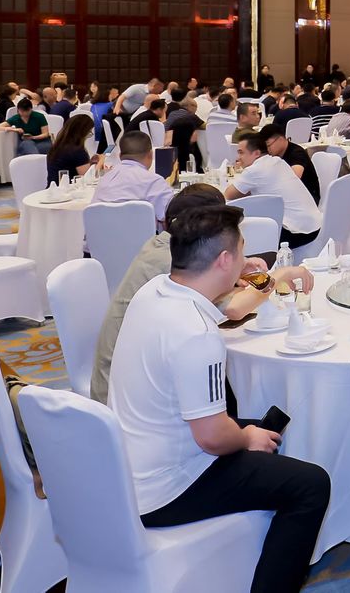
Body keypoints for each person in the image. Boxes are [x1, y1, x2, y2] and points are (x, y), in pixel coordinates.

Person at [108, 203, 330, 593]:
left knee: (266, 427)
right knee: (311, 485)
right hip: (166, 488)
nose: (246, 259)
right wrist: (245, 438)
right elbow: (211, 437)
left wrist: (253, 276)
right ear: (224, 259)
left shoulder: (155, 291)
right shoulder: (197, 334)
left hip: (128, 463)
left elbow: (227, 307)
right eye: (241, 252)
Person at [90, 185, 313, 404]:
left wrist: (237, 266)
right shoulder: (173, 264)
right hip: (128, 395)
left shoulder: (161, 245)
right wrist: (281, 274)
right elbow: (235, 308)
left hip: (134, 376)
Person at [225, 132, 323, 249]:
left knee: (243, 233)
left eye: (241, 152)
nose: (238, 157)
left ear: (256, 153)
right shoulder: (278, 161)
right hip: (316, 226)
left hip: (296, 232)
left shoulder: (254, 170)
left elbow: (228, 195)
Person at [93, 131, 175, 227]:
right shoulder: (154, 181)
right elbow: (171, 217)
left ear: (120, 156)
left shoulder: (104, 180)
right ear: (150, 155)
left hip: (101, 236)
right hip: (144, 237)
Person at [263, 126, 320, 207]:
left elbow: (294, 179)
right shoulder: (276, 154)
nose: (267, 150)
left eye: (268, 145)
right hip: (289, 195)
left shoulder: (297, 153)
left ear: (280, 139)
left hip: (308, 198)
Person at [45, 114, 98, 183]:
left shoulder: (57, 147)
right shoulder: (77, 151)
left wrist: (90, 163)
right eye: (89, 133)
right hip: (69, 187)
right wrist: (100, 163)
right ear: (83, 133)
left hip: (53, 187)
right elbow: (88, 177)